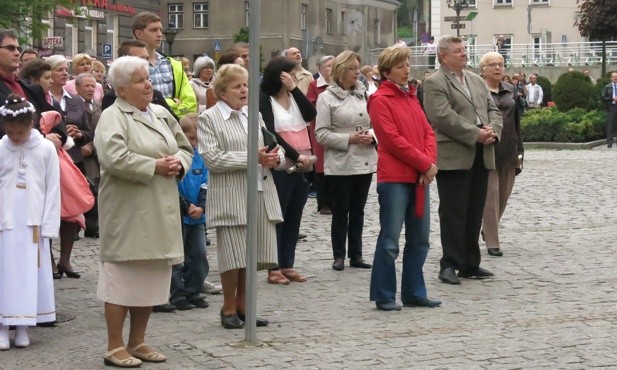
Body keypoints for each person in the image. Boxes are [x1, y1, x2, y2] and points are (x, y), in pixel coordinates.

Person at [94, 55, 193, 366]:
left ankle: (138, 340)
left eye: (147, 77)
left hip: (160, 209)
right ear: (122, 90)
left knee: (150, 279)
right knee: (122, 277)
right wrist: (153, 165)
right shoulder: (113, 116)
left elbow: (186, 147)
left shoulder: (161, 113)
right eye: (140, 80)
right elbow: (112, 156)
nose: (148, 84)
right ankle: (114, 345)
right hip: (129, 211)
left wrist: (180, 163)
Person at [198, 63, 281, 329]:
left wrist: (273, 158)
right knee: (233, 255)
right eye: (237, 86)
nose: (244, 90)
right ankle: (228, 307)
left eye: (246, 84)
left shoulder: (253, 115)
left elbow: (266, 148)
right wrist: (251, 158)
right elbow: (212, 158)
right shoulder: (209, 118)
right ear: (222, 92)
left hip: (259, 189)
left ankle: (245, 306)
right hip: (231, 194)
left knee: (252, 254)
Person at [423, 35, 503, 285]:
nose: (464, 54)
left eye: (464, 49)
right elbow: (442, 117)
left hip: (482, 153)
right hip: (455, 154)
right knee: (453, 211)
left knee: (474, 210)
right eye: (458, 50)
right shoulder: (434, 82)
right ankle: (449, 263)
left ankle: (471, 263)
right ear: (443, 56)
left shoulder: (476, 80)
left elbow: (493, 109)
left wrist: (493, 132)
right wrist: (475, 134)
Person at [367, 46, 440, 311]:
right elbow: (391, 140)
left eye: (408, 65)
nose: (406, 70)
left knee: (420, 238)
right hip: (395, 178)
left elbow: (427, 132)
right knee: (390, 240)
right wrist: (424, 163)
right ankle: (384, 294)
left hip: (419, 176)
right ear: (387, 72)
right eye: (400, 66)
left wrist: (428, 163)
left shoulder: (411, 97)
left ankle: (414, 291)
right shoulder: (380, 100)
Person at [0, 94, 60, 350]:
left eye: (20, 131)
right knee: (5, 273)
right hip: (6, 218)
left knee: (27, 273)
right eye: (10, 131)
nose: (15, 136)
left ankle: (23, 326)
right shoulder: (1, 147)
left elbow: (52, 187)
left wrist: (49, 224)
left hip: (32, 221)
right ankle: (3, 326)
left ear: (31, 125)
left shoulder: (45, 148)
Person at [315, 51, 376, 272]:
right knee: (341, 210)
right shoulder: (327, 98)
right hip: (341, 160)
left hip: (364, 158)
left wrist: (372, 136)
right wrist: (349, 138)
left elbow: (374, 123)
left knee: (358, 210)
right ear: (341, 71)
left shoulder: (364, 94)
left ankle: (356, 254)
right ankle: (338, 254)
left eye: (358, 68)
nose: (357, 72)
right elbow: (320, 134)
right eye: (352, 68)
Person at [260, 57, 316, 284]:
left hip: (302, 164)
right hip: (283, 163)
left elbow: (310, 114)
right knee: (278, 216)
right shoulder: (266, 100)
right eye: (290, 74)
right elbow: (271, 134)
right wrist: (295, 155)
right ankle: (273, 266)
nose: (293, 77)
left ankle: (288, 263)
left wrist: (295, 90)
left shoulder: (294, 97)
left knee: (294, 215)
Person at [48, 54, 94, 279]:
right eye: (59, 70)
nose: (64, 73)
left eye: (66, 69)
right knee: (50, 210)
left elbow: (88, 131)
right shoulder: (42, 97)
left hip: (74, 160)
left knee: (73, 213)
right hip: (50, 160)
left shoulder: (75, 100)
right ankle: (48, 259)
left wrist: (79, 135)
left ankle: (65, 260)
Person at [479, 52, 524, 257]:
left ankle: (487, 229)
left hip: (509, 147)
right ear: (483, 69)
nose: (498, 68)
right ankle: (492, 241)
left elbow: (517, 121)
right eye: (492, 64)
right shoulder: (478, 90)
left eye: (501, 64)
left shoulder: (511, 90)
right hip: (488, 148)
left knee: (504, 195)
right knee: (491, 195)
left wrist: (521, 150)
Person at [167, 113, 211, 311]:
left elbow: (205, 183)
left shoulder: (202, 158)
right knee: (176, 258)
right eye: (191, 139)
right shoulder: (175, 157)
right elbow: (173, 186)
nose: (194, 144)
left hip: (197, 216)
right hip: (179, 215)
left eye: (198, 140)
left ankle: (194, 289)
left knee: (199, 256)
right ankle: (177, 294)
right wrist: (186, 207)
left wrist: (201, 206)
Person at [132, 11, 197, 119]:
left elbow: (191, 104)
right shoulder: (130, 66)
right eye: (154, 30)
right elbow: (134, 102)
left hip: (173, 126)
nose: (159, 34)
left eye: (160, 30)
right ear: (139, 34)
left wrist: (169, 110)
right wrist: (172, 103)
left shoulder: (174, 65)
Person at [102, 40, 179, 123]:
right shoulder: (112, 100)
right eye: (141, 59)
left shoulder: (156, 95)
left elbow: (175, 125)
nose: (146, 63)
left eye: (147, 59)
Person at [306, 55, 335, 215]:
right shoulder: (314, 85)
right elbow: (310, 105)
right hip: (320, 128)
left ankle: (335, 200)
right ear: (321, 69)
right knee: (321, 164)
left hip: (336, 129)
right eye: (329, 66)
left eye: (334, 65)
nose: (332, 69)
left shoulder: (339, 83)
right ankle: (323, 202)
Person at [602, 72, 617, 148]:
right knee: (610, 125)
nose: (616, 78)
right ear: (611, 78)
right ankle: (609, 142)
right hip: (611, 107)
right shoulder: (607, 87)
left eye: (616, 77)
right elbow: (603, 97)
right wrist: (612, 98)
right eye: (614, 77)